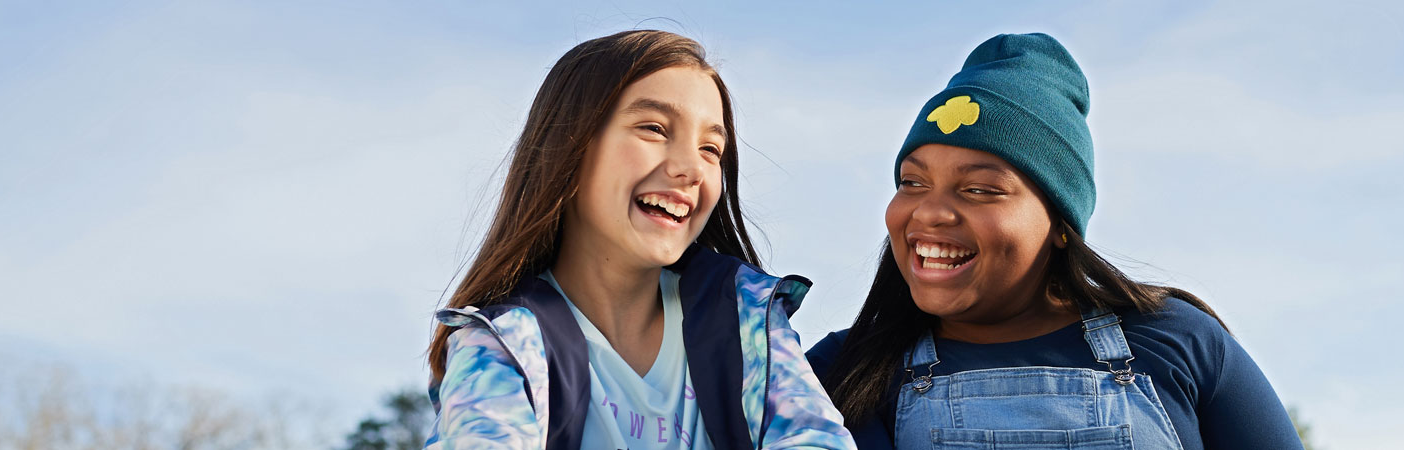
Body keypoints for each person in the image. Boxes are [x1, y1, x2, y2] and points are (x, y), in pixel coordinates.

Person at [805, 32, 1304, 450]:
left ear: (1062, 224)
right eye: (912, 183)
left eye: (980, 189)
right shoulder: (836, 375)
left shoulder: (1178, 342)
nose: (929, 211)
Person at [424, 30, 853, 450]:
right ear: (569, 147)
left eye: (711, 149)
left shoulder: (750, 319)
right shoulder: (501, 346)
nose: (691, 168)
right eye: (654, 128)